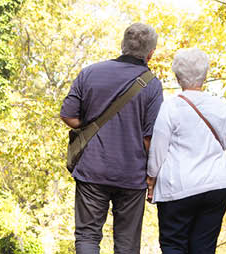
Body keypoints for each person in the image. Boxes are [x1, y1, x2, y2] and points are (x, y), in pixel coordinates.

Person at [59, 23, 164, 254]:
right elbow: (150, 138)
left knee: (87, 236)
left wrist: (91, 126)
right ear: (151, 53)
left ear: (122, 46)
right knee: (127, 245)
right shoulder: (153, 85)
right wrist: (151, 176)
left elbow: (68, 115)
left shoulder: (90, 73)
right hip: (132, 175)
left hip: (92, 169)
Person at [145, 48, 226, 254]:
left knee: (173, 245)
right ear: (205, 75)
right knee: (204, 248)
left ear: (177, 76)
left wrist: (151, 179)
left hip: (178, 188)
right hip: (216, 186)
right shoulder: (220, 106)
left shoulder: (170, 107)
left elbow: (158, 148)